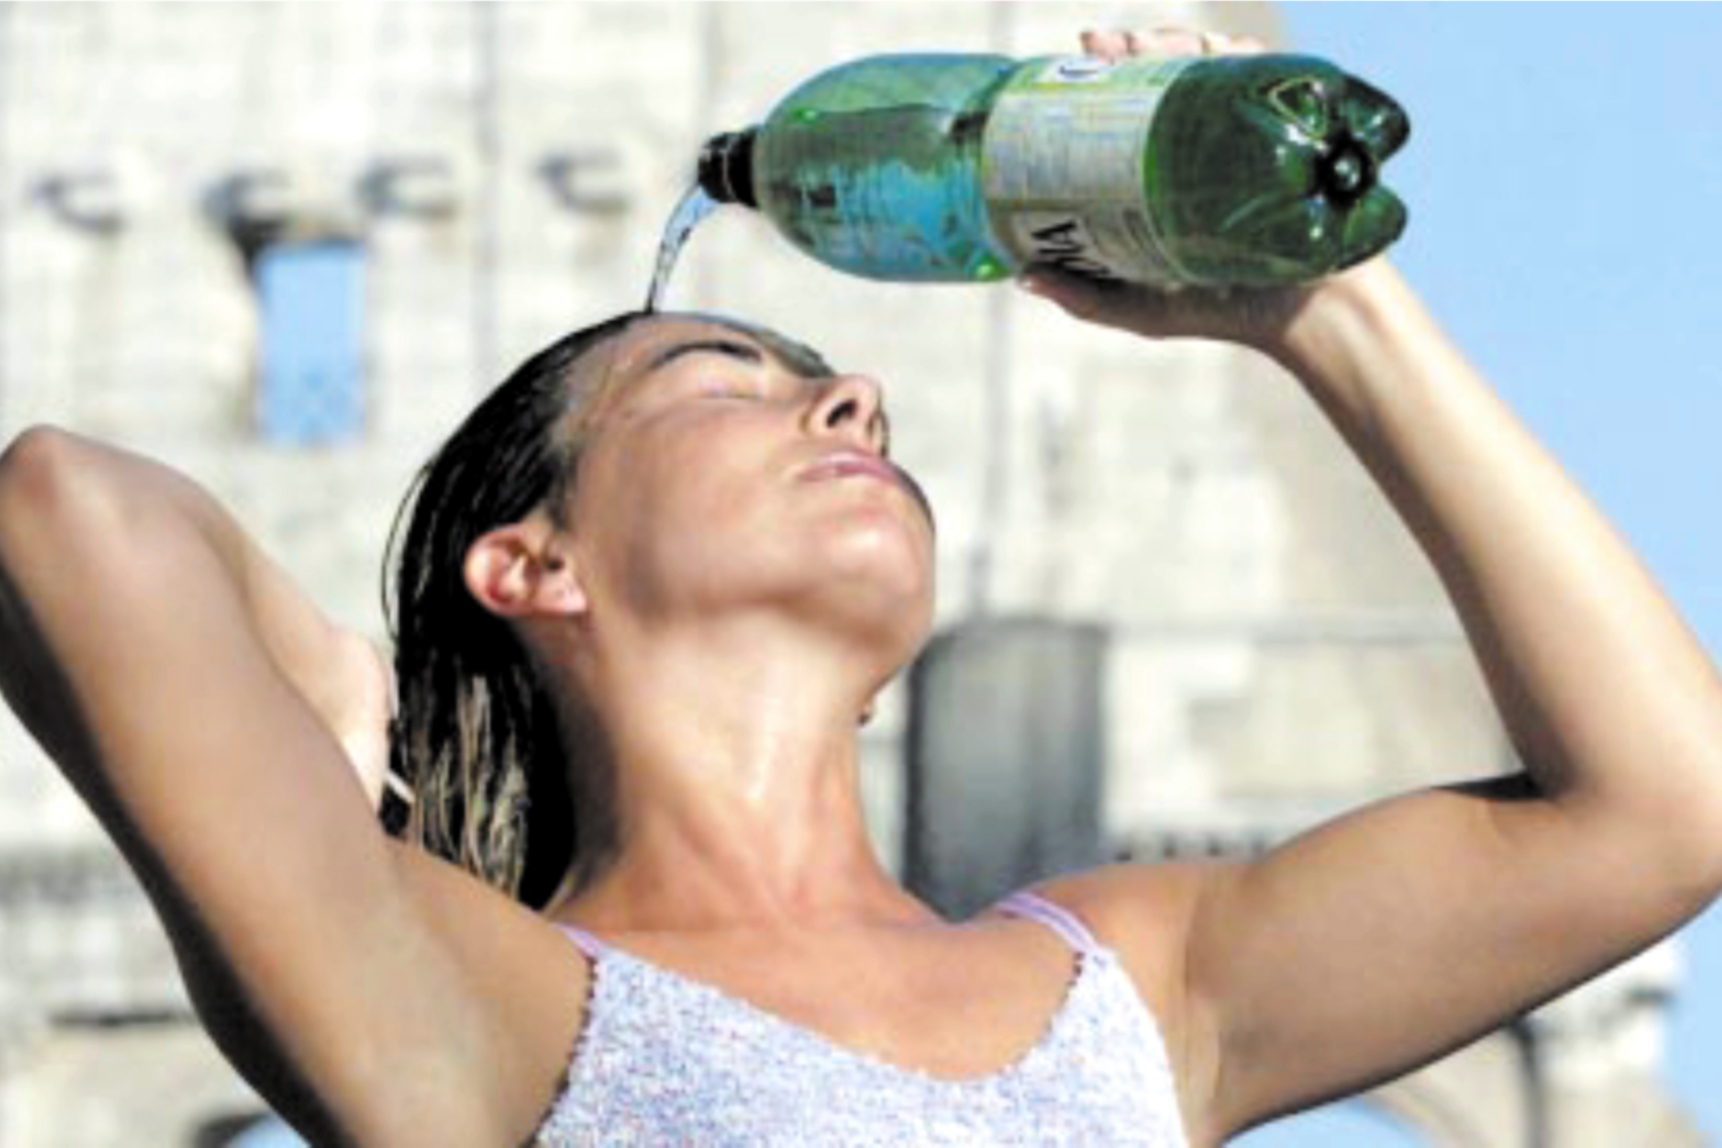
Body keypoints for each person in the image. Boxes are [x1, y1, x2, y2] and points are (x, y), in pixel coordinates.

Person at [2, 25, 1720, 1148]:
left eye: (839, 382)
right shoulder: (471, 1006)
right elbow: (62, 511)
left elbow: (1663, 806)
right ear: (535, 564)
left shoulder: (1131, 980)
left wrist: (1324, 309)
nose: (851, 396)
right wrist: (333, 671)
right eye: (722, 377)